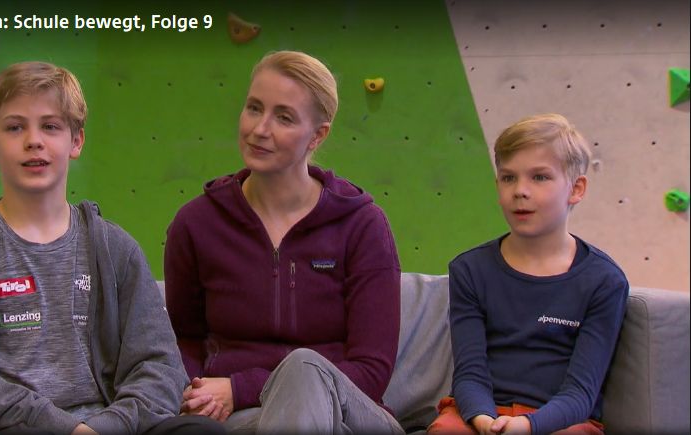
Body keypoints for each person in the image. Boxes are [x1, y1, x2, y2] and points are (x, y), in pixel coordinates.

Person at [0, 61, 223, 435]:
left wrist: (107, 426)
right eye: (15, 127)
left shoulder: (115, 248)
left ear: (76, 141)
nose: (34, 140)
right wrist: (70, 430)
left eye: (50, 126)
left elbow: (159, 366)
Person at [163, 50, 404, 434]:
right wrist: (195, 392)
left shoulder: (363, 226)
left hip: (351, 415)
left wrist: (241, 387)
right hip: (240, 418)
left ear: (318, 135)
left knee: (303, 369)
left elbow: (371, 370)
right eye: (254, 108)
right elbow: (183, 340)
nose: (260, 129)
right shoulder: (196, 223)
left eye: (284, 117)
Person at [428, 114, 629, 435]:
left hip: (560, 420)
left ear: (576, 188)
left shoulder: (604, 281)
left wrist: (527, 426)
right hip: (482, 415)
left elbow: (581, 393)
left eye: (539, 177)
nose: (520, 191)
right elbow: (469, 374)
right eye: (508, 178)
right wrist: (484, 420)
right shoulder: (469, 270)